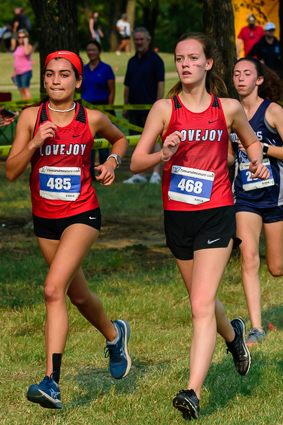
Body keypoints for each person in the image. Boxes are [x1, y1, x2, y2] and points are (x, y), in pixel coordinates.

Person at [130, 32, 269, 420]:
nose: (185, 64)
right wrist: (163, 152)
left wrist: (256, 160)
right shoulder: (163, 108)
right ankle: (233, 336)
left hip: (216, 212)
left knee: (200, 304)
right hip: (177, 217)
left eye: (193, 58)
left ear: (208, 64)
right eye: (179, 58)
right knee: (203, 301)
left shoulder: (227, 109)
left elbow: (251, 141)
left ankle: (192, 390)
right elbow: (138, 163)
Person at [6, 50, 131, 409]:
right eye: (49, 74)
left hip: (83, 213)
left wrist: (111, 161)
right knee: (77, 296)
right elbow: (12, 172)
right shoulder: (31, 117)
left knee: (52, 289)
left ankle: (52, 382)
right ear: (43, 80)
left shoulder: (91, 119)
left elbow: (120, 140)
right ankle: (114, 334)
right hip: (45, 219)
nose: (55, 80)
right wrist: (33, 143)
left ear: (78, 81)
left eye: (64, 74)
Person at [229, 57, 283, 346]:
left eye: (247, 73)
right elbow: (228, 156)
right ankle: (256, 328)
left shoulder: (272, 111)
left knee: (276, 267)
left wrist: (261, 147)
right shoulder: (231, 113)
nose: (240, 78)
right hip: (245, 196)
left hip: (275, 197)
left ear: (259, 80)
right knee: (248, 257)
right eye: (236, 73)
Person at [123, 27, 165, 184]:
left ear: (148, 40)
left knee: (154, 140)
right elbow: (127, 85)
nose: (139, 42)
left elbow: (160, 84)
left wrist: (158, 106)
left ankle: (155, 174)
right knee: (136, 140)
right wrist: (126, 105)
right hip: (133, 109)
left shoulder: (156, 60)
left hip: (150, 108)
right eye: (136, 39)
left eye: (141, 39)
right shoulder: (132, 61)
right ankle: (138, 174)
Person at [81, 40, 115, 178]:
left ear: (99, 51)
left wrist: (108, 109)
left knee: (103, 142)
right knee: (87, 141)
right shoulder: (83, 69)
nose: (91, 52)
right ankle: (87, 173)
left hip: (102, 108)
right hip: (86, 108)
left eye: (93, 49)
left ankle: (103, 171)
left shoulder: (106, 69)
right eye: (88, 50)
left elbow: (112, 90)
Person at [11, 29, 33, 100]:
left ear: (26, 37)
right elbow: (17, 61)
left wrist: (26, 43)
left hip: (26, 71)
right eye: (19, 37)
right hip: (18, 72)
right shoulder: (17, 47)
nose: (21, 39)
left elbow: (26, 53)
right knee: (21, 90)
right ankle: (24, 107)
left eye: (23, 37)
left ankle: (29, 107)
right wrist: (14, 72)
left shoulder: (29, 46)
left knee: (25, 88)